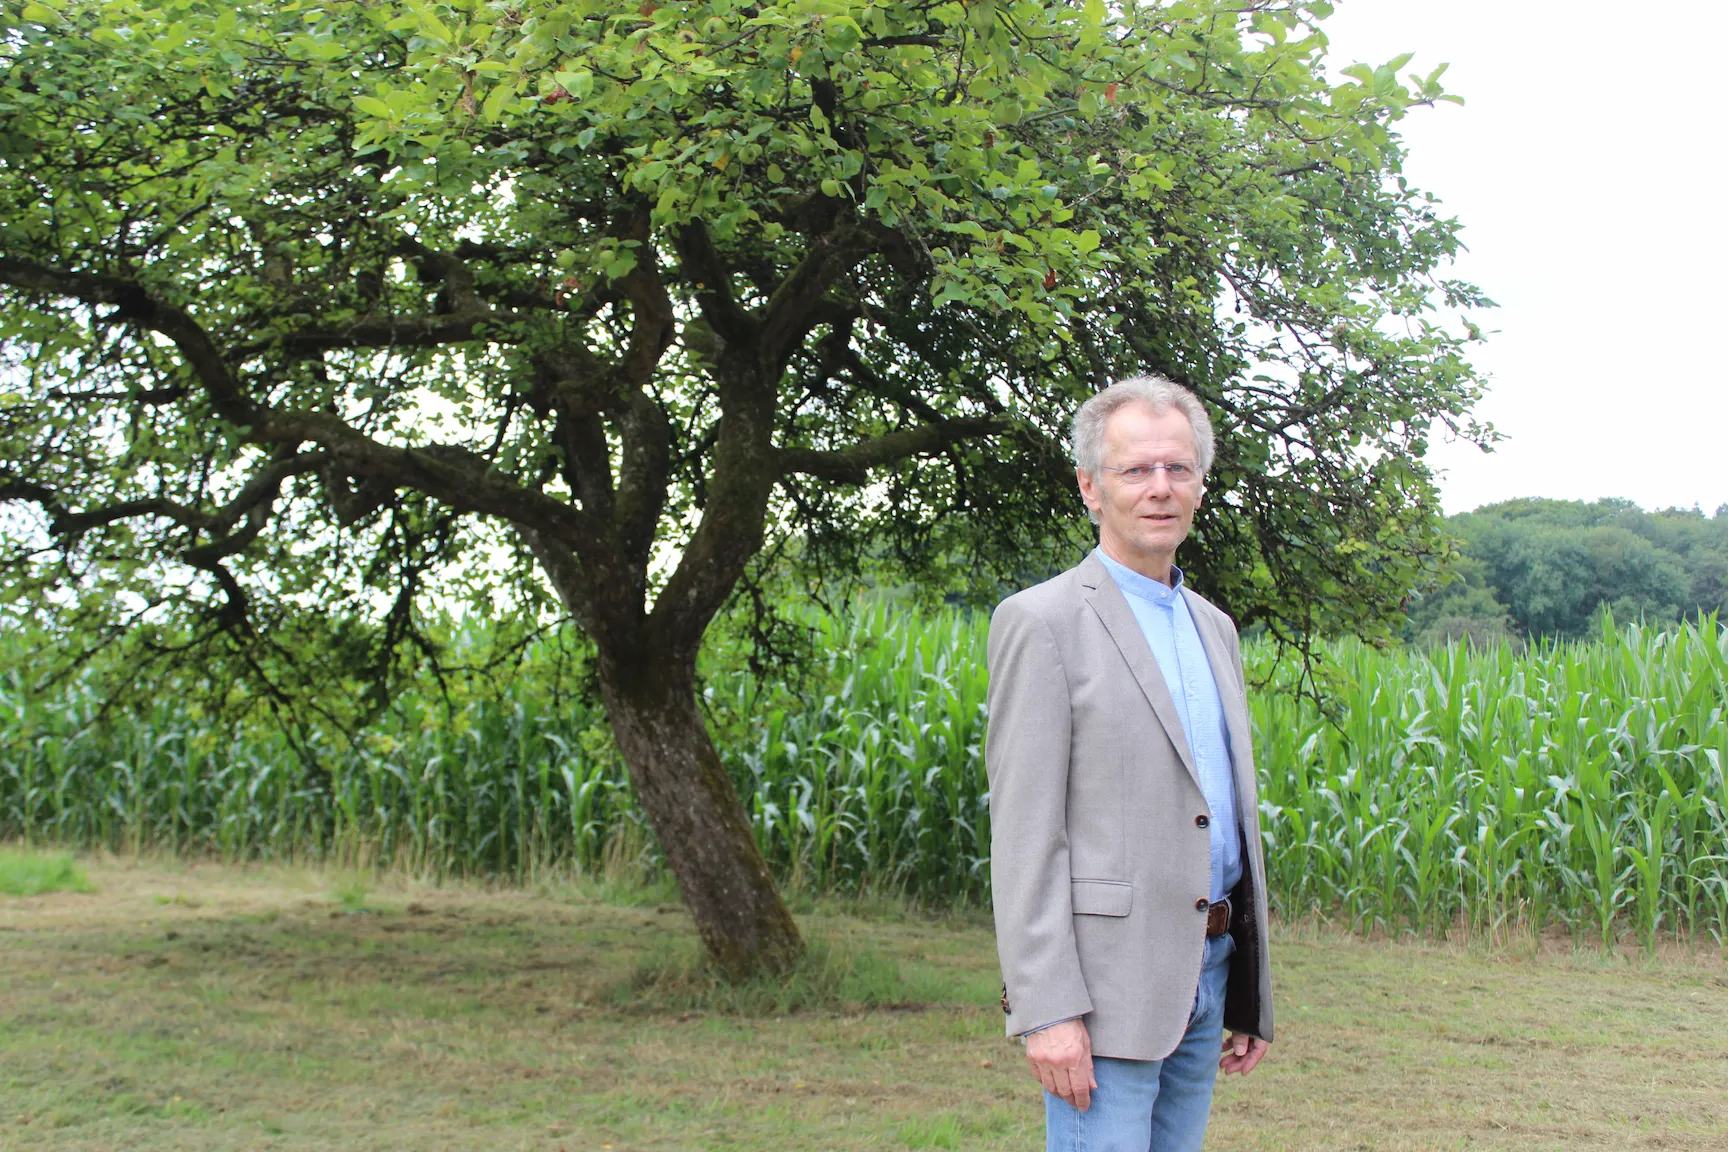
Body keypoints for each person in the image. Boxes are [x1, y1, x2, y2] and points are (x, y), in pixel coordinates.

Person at [986, 375, 1274, 1152]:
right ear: (1090, 487)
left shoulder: (1215, 627)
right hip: (1106, 990)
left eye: (1178, 469)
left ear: (1202, 485)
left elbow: (1222, 816)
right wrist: (1046, 1008)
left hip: (1208, 974)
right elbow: (1025, 836)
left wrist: (1250, 988)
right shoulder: (1042, 622)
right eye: (1135, 470)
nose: (1159, 488)